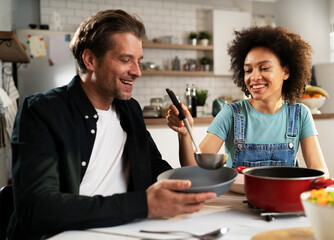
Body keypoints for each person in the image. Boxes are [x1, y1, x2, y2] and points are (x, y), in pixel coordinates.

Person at [8, 9, 216, 240]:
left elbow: (154, 169)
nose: (137, 72)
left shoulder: (130, 109)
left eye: (138, 61)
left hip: (125, 230)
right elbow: (37, 209)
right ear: (90, 60)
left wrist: (194, 171)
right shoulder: (41, 111)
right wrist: (144, 204)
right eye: (125, 59)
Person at [167, 25, 329, 177]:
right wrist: (184, 135)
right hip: (237, 202)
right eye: (248, 70)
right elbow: (195, 169)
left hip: (282, 201)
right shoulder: (231, 113)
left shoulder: (300, 114)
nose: (254, 77)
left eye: (264, 68)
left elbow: (320, 172)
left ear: (285, 71)